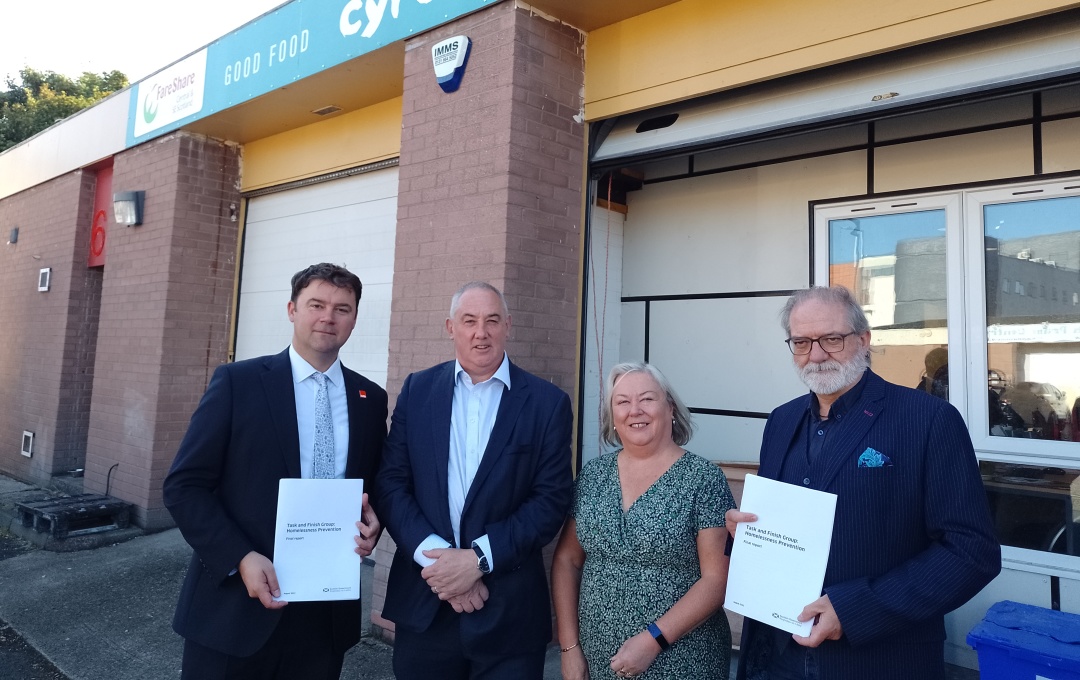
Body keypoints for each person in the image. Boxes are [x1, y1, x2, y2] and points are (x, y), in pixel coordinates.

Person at [727, 285, 1000, 680]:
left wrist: (855, 610)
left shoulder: (927, 420)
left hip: (879, 660)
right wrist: (745, 534)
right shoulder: (781, 421)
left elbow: (972, 551)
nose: (816, 355)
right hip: (778, 655)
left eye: (831, 339)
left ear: (864, 340)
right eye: (801, 342)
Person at [163, 263, 388, 680]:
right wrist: (240, 557)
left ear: (355, 319)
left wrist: (376, 522)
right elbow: (184, 486)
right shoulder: (238, 383)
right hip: (234, 611)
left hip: (324, 617)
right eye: (316, 304)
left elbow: (373, 487)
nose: (328, 317)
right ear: (291, 310)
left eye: (342, 308)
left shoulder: (370, 399)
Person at [376, 281, 574, 679]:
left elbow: (551, 499)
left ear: (508, 326)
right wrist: (442, 565)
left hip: (509, 617)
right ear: (451, 327)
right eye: (469, 321)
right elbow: (391, 483)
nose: (480, 332)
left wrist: (478, 560)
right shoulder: (418, 390)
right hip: (426, 606)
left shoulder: (547, 403)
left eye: (492, 321)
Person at [552, 362, 736, 680]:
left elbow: (716, 581)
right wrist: (569, 649)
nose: (635, 410)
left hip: (682, 659)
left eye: (647, 399)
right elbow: (568, 560)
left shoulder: (703, 479)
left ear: (671, 408)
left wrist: (653, 640)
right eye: (622, 402)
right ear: (613, 417)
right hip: (598, 660)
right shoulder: (593, 475)